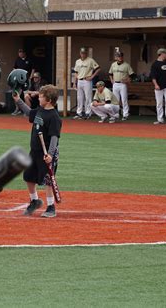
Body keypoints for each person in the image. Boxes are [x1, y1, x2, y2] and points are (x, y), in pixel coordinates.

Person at [12, 85, 62, 218]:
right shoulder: (40, 110)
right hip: (34, 151)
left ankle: (51, 207)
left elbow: (54, 137)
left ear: (49, 100)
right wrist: (18, 100)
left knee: (47, 180)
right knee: (28, 176)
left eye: (41, 96)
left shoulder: (54, 117)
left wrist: (50, 154)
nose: (38, 97)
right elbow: (29, 113)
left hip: (46, 153)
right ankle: (34, 200)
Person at [73, 47, 100, 119]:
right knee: (79, 97)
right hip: (80, 81)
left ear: (86, 53)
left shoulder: (90, 60)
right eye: (82, 53)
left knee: (88, 97)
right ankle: (79, 112)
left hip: (87, 80)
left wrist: (92, 76)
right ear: (80, 53)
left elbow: (98, 68)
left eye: (84, 53)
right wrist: (74, 83)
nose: (83, 54)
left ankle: (88, 112)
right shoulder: (77, 61)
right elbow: (75, 72)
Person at [108, 52, 135, 121]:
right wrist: (111, 80)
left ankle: (125, 114)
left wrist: (127, 80)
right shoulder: (113, 64)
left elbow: (133, 75)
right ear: (116, 57)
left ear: (122, 57)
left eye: (121, 56)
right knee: (115, 100)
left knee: (124, 100)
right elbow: (110, 73)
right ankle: (116, 114)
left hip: (122, 84)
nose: (120, 57)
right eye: (118, 56)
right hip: (115, 84)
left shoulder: (126, 65)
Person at [12, 48, 35, 115]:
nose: (20, 53)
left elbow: (33, 69)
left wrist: (30, 77)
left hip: (26, 80)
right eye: (19, 52)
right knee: (15, 94)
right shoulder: (17, 60)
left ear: (24, 53)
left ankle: (27, 111)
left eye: (21, 52)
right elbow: (14, 68)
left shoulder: (29, 59)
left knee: (26, 94)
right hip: (19, 80)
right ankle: (17, 109)